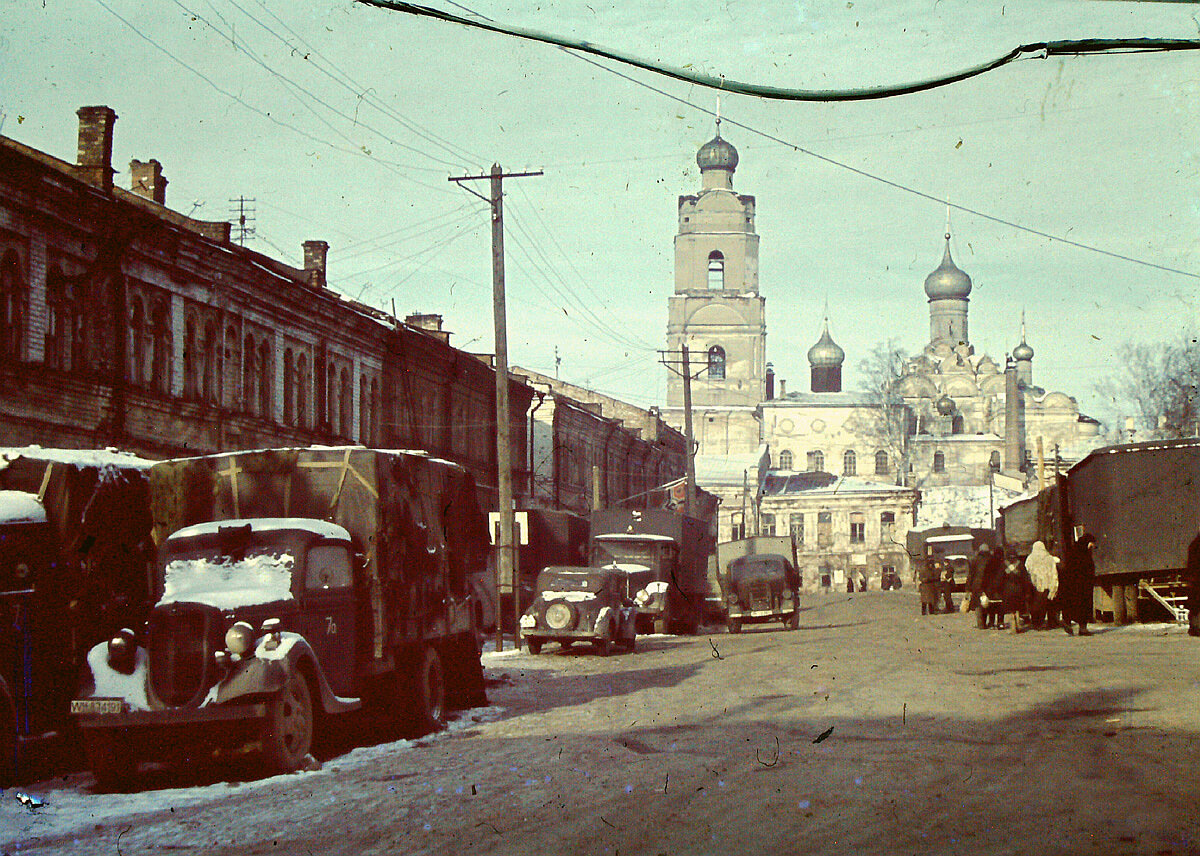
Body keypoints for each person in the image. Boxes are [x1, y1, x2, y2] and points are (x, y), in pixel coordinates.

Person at [1060, 533, 1097, 636]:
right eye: (1092, 543)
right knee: (1084, 606)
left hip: (1072, 585)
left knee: (1072, 604)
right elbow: (1086, 569)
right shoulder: (1084, 554)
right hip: (1083, 585)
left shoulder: (1074, 551)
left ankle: (1068, 622)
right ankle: (1082, 629)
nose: (1093, 546)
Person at [1025, 541, 1060, 630]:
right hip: (1047, 585)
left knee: (1036, 605)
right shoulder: (1049, 558)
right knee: (1049, 604)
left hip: (1036, 585)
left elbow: (1027, 570)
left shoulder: (1030, 558)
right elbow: (1054, 572)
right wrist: (1054, 586)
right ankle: (1052, 622)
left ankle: (1037, 623)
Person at [999, 548, 1029, 633]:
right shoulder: (1020, 565)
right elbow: (1025, 579)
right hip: (1018, 590)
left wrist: (999, 590)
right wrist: (1027, 591)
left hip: (1007, 590)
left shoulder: (1004, 565)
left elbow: (1000, 579)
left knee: (1010, 609)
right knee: (1018, 608)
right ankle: (1018, 623)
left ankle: (1012, 623)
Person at [980, 548, 1006, 629]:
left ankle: (991, 623)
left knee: (991, 607)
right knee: (1000, 607)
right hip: (1001, 588)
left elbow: (985, 576)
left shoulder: (989, 562)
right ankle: (1000, 622)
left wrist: (983, 588)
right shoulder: (1003, 563)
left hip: (990, 588)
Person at [966, 544, 991, 617]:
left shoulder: (975, 560)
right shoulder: (991, 559)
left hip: (977, 585)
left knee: (978, 605)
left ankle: (981, 622)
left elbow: (971, 575)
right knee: (989, 603)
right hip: (989, 585)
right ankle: (991, 622)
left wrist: (968, 588)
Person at [1186, 530, 1200, 637]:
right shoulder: (1195, 546)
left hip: (1195, 580)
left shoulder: (1193, 545)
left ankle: (1194, 627)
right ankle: (1195, 627)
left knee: (1195, 604)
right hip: (1196, 580)